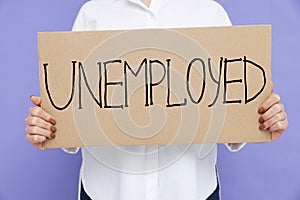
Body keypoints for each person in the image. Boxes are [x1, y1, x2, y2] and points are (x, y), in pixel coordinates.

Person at [24, 0, 289, 199]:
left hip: (192, 190)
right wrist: (48, 126)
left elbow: (229, 108)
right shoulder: (93, 12)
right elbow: (76, 106)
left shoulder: (209, 11)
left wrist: (260, 120)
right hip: (107, 191)